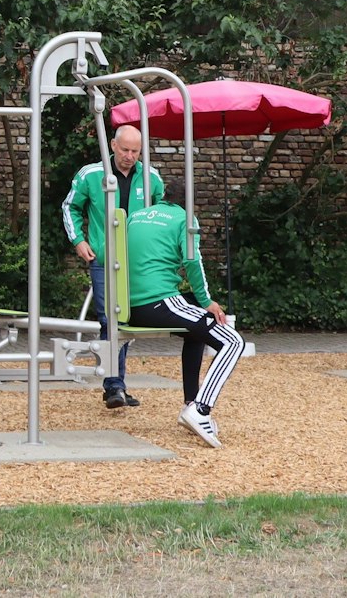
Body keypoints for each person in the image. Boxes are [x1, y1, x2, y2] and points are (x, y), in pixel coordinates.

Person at [122, 203, 246, 448]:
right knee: (233, 341)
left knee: (196, 330)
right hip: (159, 301)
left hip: (131, 307)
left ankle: (191, 402)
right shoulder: (185, 219)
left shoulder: (134, 217)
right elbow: (192, 261)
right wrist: (205, 300)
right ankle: (200, 410)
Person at [61, 124, 166, 408]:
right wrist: (79, 241)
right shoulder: (91, 175)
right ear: (112, 146)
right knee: (110, 320)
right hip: (104, 260)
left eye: (136, 151)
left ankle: (117, 383)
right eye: (125, 149)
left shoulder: (151, 178)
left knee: (128, 321)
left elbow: (162, 214)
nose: (130, 156)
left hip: (138, 262)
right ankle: (114, 385)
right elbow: (69, 206)